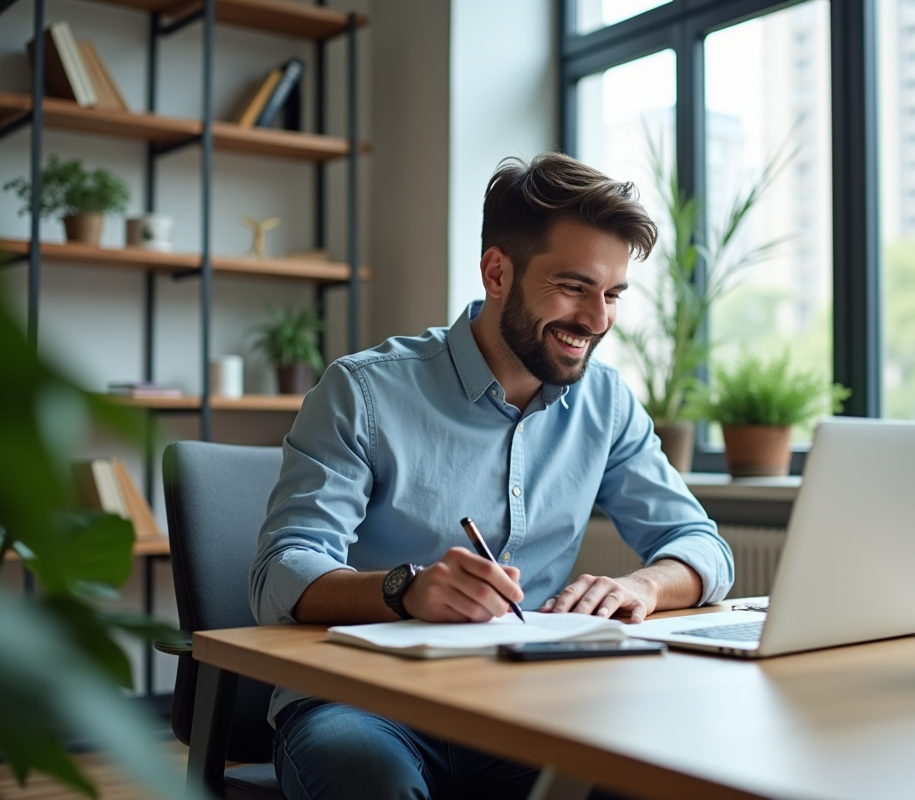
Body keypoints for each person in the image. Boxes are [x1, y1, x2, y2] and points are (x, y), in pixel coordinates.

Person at [249, 152, 735, 800]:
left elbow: (702, 547)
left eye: (612, 294)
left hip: (525, 702)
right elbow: (282, 573)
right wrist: (405, 591)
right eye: (573, 287)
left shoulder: (606, 404)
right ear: (496, 271)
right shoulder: (363, 392)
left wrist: (645, 586)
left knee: (662, 779)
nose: (597, 320)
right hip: (363, 702)